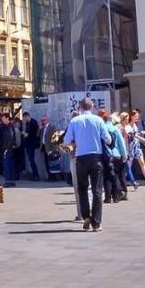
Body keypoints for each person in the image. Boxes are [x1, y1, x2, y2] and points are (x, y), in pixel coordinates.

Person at [62, 98, 109, 233]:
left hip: (81, 158)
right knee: (97, 190)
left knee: (82, 188)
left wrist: (76, 143)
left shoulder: (74, 121)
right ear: (92, 107)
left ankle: (86, 216)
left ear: (80, 107)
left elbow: (66, 141)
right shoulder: (98, 120)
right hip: (96, 158)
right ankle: (96, 222)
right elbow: (108, 139)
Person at [131, 109, 145, 186]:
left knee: (142, 162)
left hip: (139, 145)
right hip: (130, 147)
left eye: (138, 116)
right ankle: (128, 179)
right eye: (136, 116)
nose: (137, 117)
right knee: (128, 165)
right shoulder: (129, 125)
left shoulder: (142, 123)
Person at [0, 113, 18, 187]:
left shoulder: (9, 127)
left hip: (8, 149)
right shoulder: (4, 127)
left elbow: (10, 138)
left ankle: (8, 181)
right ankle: (11, 181)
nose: (2, 120)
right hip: (7, 148)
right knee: (9, 165)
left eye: (3, 118)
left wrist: (7, 149)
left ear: (7, 118)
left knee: (7, 165)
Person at [22, 113, 40, 182]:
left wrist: (27, 134)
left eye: (24, 118)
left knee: (32, 160)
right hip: (28, 144)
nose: (24, 120)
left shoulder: (33, 122)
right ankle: (34, 174)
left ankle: (36, 175)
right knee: (30, 160)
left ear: (27, 116)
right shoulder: (27, 123)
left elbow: (34, 133)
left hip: (32, 144)